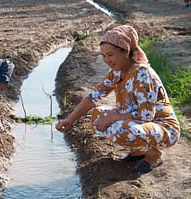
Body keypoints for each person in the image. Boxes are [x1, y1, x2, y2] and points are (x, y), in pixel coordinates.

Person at [56, 25, 180, 174]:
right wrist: (69, 120)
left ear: (125, 51)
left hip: (163, 127)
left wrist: (113, 117)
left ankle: (154, 156)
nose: (107, 60)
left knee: (120, 129)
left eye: (110, 55)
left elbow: (145, 115)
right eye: (103, 56)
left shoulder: (142, 74)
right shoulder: (116, 72)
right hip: (141, 123)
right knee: (97, 116)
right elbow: (94, 96)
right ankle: (138, 151)